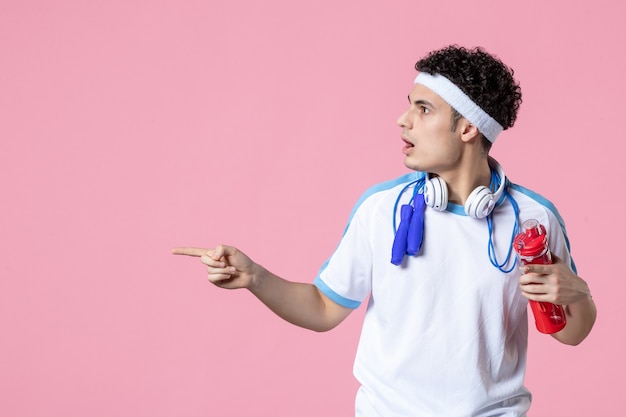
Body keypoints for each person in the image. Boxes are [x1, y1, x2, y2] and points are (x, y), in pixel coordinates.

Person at [172, 45, 596, 417]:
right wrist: (255, 278)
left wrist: (579, 294)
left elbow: (570, 332)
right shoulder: (381, 209)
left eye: (423, 109)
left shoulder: (533, 220)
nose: (402, 120)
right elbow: (323, 307)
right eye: (409, 105)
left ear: (468, 128)